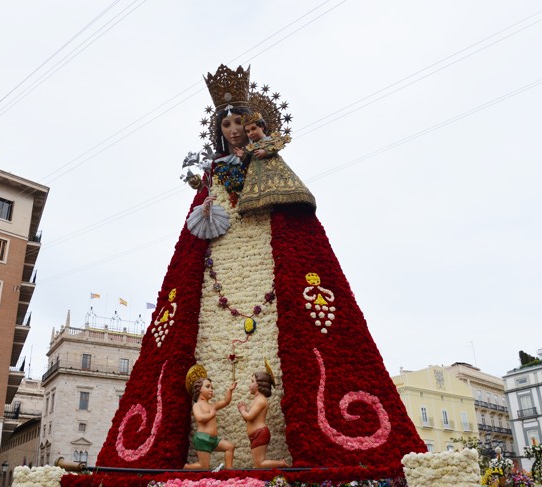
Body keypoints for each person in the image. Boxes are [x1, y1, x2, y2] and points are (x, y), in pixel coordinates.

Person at [98, 65, 426, 476]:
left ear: (252, 125)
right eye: (227, 124)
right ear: (219, 129)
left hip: (268, 254)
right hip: (219, 252)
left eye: (239, 122)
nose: (234, 130)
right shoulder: (214, 170)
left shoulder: (266, 160)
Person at [238, 372, 289, 468]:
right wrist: (244, 412)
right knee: (257, 463)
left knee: (259, 463)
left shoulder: (261, 400)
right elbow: (250, 420)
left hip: (259, 433)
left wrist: (242, 410)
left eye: (252, 381)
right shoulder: (257, 399)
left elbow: (249, 417)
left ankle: (281, 464)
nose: (249, 385)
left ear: (259, 384)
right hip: (255, 434)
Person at [184, 378, 237, 470]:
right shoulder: (197, 405)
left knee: (230, 447)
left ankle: (229, 469)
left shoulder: (212, 405)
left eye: (212, 387)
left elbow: (226, 401)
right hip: (202, 439)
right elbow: (200, 418)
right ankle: (186, 467)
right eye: (208, 387)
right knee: (203, 466)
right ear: (200, 389)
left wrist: (229, 390)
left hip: (214, 440)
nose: (211, 389)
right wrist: (211, 414)